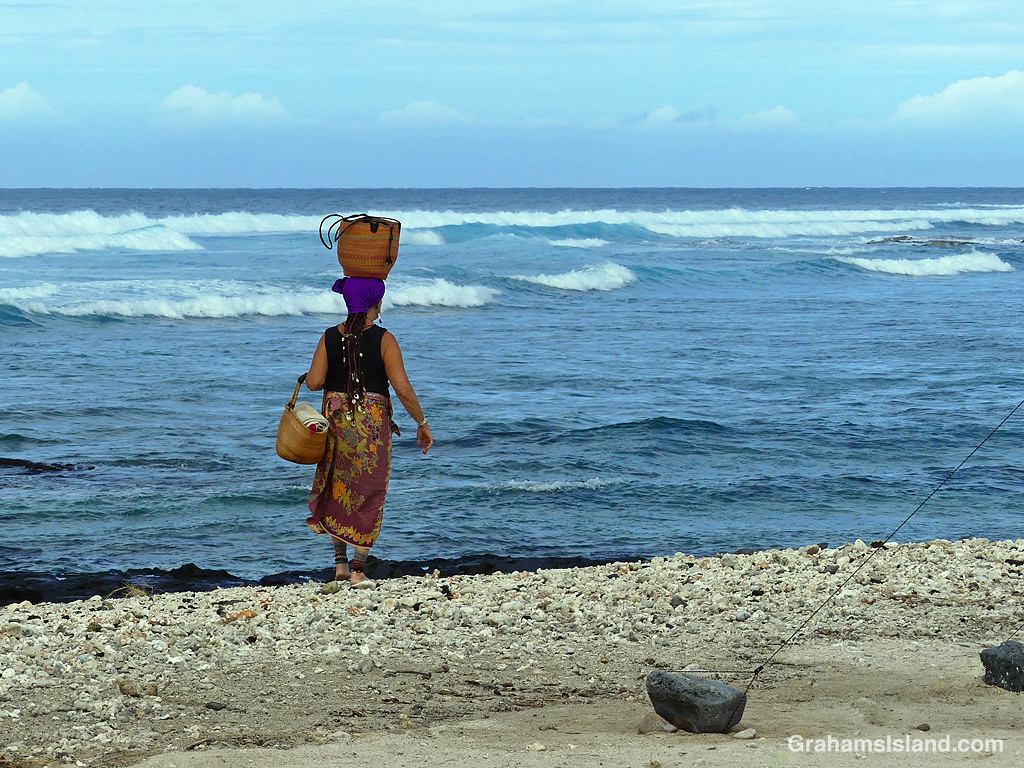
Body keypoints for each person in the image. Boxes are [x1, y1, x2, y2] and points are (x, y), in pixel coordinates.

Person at [304, 276, 433, 587]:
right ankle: (359, 570)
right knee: (369, 491)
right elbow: (401, 388)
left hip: (337, 423)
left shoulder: (328, 337)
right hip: (372, 425)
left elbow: (314, 382)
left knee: (337, 486)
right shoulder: (385, 339)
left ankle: (340, 566)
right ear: (377, 302)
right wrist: (422, 422)